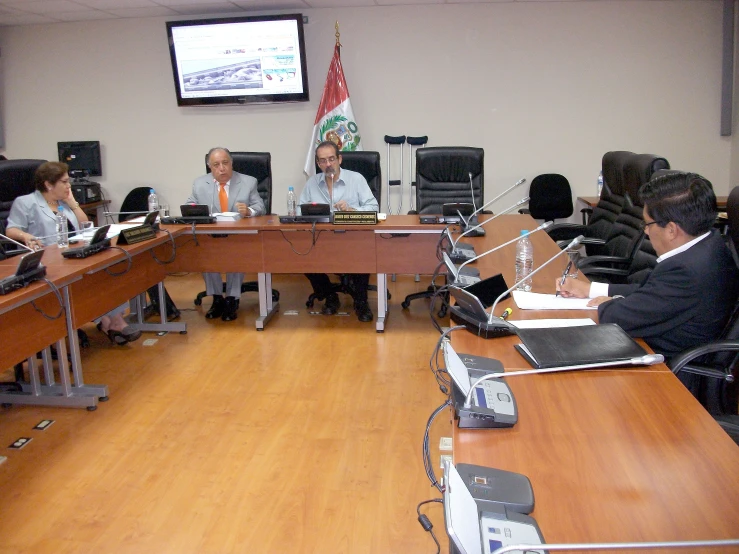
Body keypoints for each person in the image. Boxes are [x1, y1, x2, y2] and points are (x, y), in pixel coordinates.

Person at [556, 172, 739, 363]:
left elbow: (617, 317)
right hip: (654, 346)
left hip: (665, 370)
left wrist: (607, 303)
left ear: (671, 230)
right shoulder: (711, 244)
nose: (645, 230)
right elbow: (652, 292)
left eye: (647, 223)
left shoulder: (686, 270)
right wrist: (589, 289)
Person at [6, 161, 141, 345]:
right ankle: (112, 322)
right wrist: (26, 236)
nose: (69, 185)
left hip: (71, 255)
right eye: (64, 182)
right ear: (48, 184)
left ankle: (110, 320)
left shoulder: (63, 203)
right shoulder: (26, 202)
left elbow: (85, 226)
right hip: (47, 261)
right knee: (87, 282)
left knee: (104, 273)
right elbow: (11, 229)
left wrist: (73, 203)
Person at [299, 141, 379, 322]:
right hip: (321, 239)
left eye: (331, 159)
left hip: (353, 239)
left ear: (339, 159)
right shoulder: (312, 183)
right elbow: (298, 211)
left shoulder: (356, 179)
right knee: (301, 255)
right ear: (318, 164)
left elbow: (374, 207)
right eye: (323, 161)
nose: (328, 164)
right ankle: (329, 295)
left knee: (362, 253)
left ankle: (361, 301)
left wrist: (352, 210)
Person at [187, 147, 265, 321]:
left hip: (238, 236)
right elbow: (190, 205)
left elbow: (261, 206)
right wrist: (194, 211)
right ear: (210, 167)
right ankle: (216, 298)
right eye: (216, 165)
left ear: (232, 163)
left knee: (235, 254)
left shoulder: (248, 181)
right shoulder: (200, 184)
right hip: (211, 236)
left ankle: (231, 299)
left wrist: (249, 211)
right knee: (205, 255)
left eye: (225, 163)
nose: (221, 168)